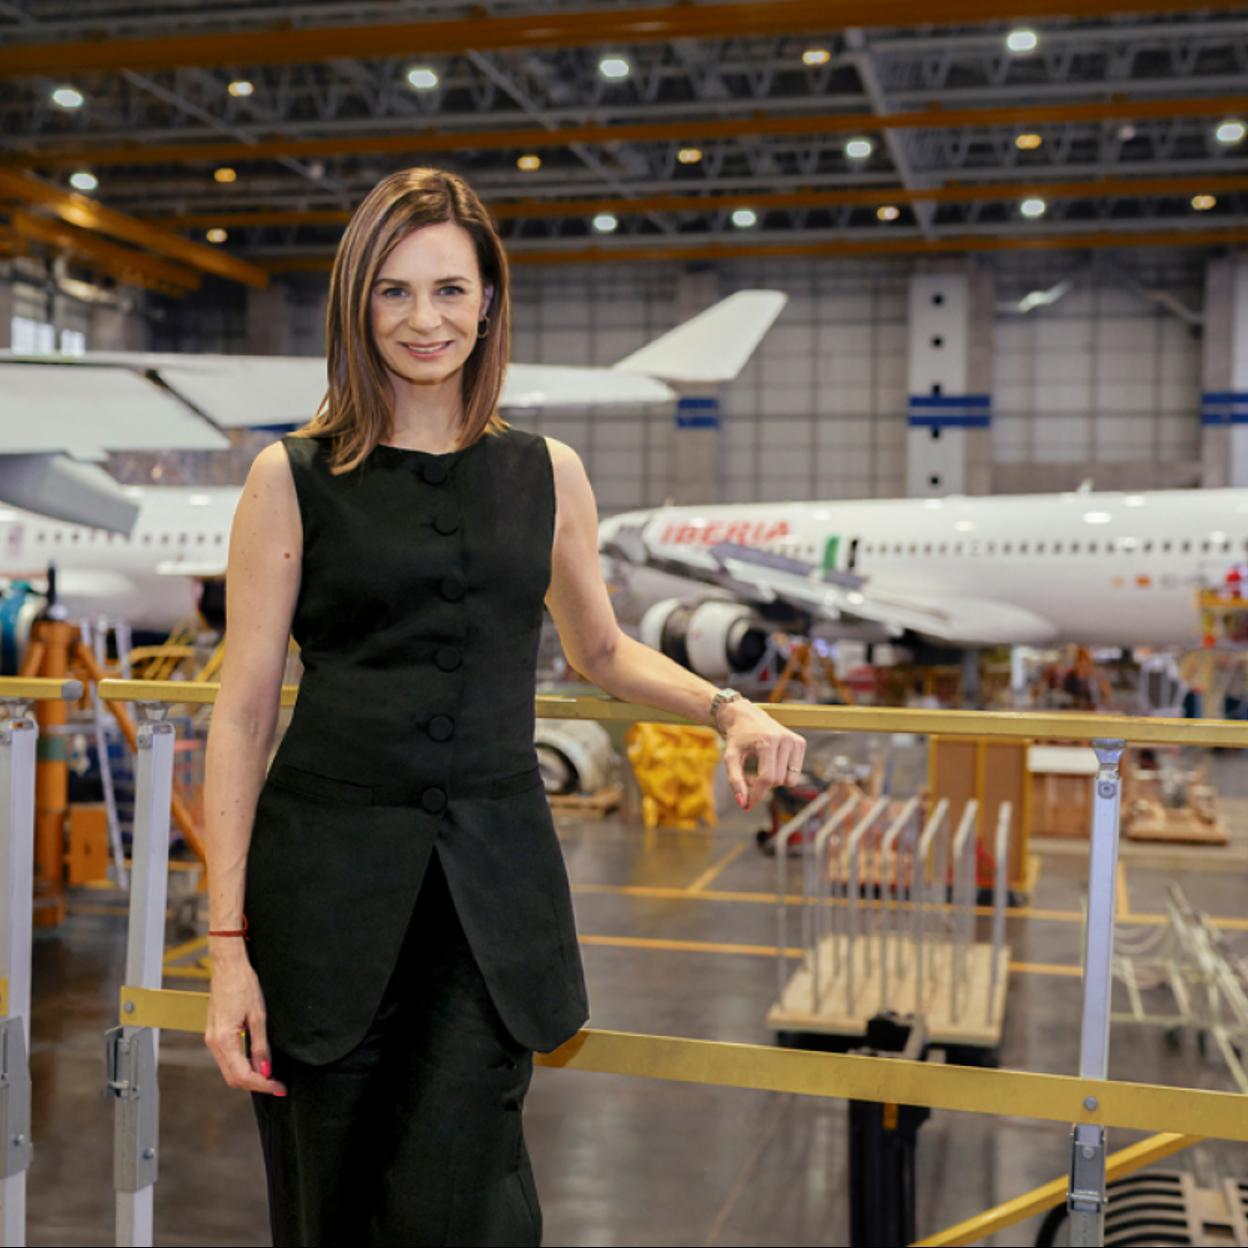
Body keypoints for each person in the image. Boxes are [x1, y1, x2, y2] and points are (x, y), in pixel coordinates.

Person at [202, 166, 805, 1248]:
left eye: (448, 289)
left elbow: (603, 649)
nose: (423, 318)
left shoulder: (547, 473)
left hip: (488, 902)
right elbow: (242, 714)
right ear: (356, 305)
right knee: (324, 1204)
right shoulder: (288, 477)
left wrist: (729, 708)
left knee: (469, 1205)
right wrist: (226, 946)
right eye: (392, 291)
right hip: (320, 897)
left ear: (489, 302)